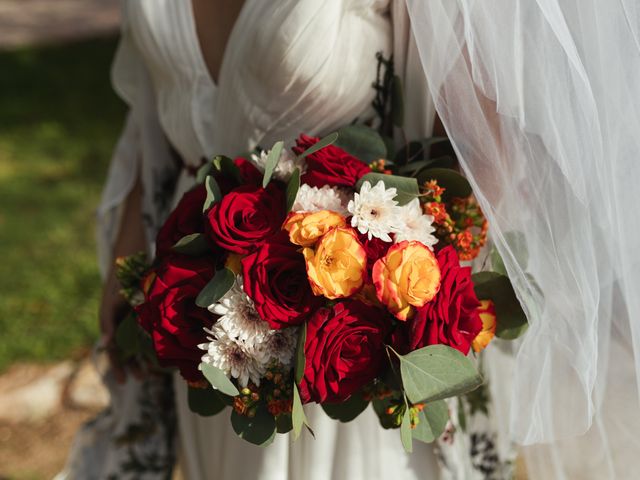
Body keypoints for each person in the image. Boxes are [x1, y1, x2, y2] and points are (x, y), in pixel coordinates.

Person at [60, 0, 640, 479]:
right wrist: (128, 259)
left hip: (352, 349)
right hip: (209, 326)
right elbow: (154, 117)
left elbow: (480, 153)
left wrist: (389, 300)